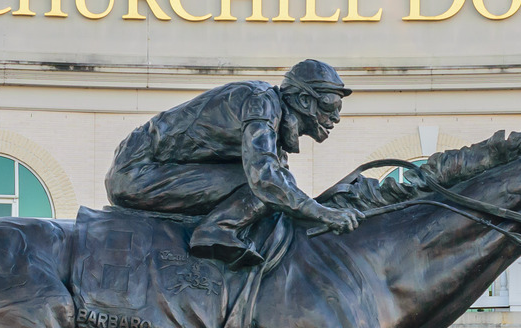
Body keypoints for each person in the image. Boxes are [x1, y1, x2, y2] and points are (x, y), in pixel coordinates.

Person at [105, 59, 363, 267]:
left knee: (280, 183)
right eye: (331, 106)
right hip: (137, 174)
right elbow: (265, 179)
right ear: (305, 101)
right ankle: (215, 232)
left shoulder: (272, 124)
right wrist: (323, 213)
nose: (336, 118)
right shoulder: (260, 102)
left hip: (157, 171)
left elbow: (281, 181)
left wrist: (319, 211)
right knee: (266, 185)